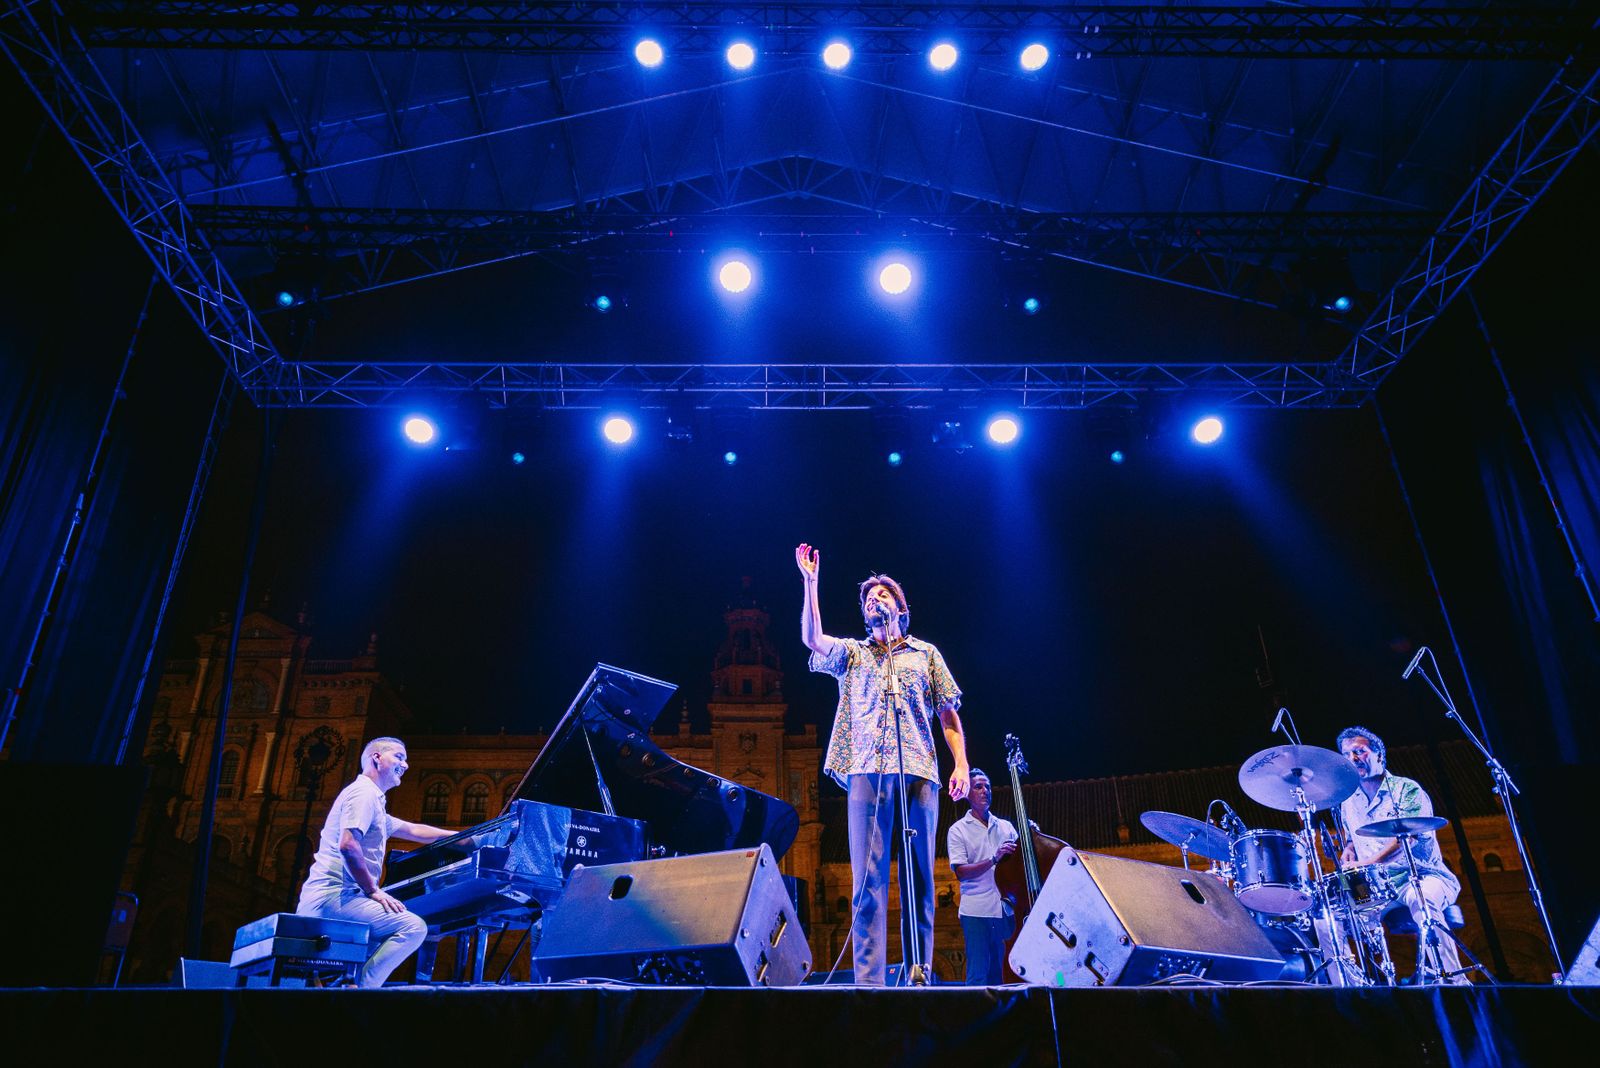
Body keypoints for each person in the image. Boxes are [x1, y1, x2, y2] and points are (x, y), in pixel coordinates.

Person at [796, 542, 971, 985]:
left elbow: (948, 713)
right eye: (869, 599)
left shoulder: (925, 654)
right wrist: (811, 582)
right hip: (866, 770)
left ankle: (920, 973)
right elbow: (813, 640)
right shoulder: (853, 654)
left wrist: (962, 764)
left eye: (883, 596)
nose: (875, 600)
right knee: (867, 881)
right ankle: (869, 982)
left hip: (920, 770)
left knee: (919, 880)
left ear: (901, 609)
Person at [296, 736, 456, 988]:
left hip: (338, 899)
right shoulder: (363, 794)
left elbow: (413, 830)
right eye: (399, 757)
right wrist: (373, 891)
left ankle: (346, 985)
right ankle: (360, 991)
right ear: (377, 758)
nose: (406, 765)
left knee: (379, 938)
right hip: (333, 897)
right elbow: (348, 845)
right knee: (413, 928)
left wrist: (465, 838)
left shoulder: (373, 801)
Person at [1331, 725, 1467, 985]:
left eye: (1359, 752)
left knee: (1422, 900)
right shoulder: (1347, 800)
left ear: (1379, 755)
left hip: (1421, 875)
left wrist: (1368, 863)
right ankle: (1351, 987)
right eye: (1347, 755)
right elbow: (1351, 836)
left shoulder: (1407, 789)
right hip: (1373, 883)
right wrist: (1348, 850)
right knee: (1332, 917)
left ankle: (1453, 981)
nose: (1353, 759)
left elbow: (1408, 838)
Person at [946, 769, 1019, 984]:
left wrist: (1030, 836)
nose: (985, 790)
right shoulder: (958, 830)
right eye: (978, 786)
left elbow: (1019, 863)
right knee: (978, 975)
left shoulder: (1006, 827)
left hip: (1005, 910)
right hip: (976, 911)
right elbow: (961, 872)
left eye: (987, 786)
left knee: (1006, 972)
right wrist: (993, 859)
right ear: (968, 792)